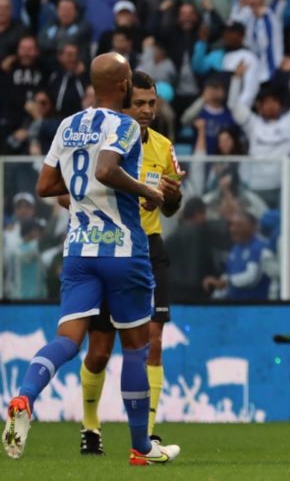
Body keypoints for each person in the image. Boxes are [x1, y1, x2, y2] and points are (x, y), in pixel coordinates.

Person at [2, 52, 180, 465]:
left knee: (68, 339)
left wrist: (80, 186)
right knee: (136, 348)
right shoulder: (125, 125)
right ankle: (141, 448)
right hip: (123, 249)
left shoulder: (69, 124)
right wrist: (148, 192)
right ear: (123, 86)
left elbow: (46, 184)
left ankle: (25, 397)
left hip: (79, 248)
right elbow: (105, 170)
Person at [78, 71, 184, 455]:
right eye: (138, 103)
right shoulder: (104, 146)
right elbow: (71, 193)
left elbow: (171, 208)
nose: (146, 110)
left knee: (152, 343)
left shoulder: (163, 147)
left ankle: (149, 433)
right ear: (123, 103)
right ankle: (90, 428)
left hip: (149, 248)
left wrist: (172, 196)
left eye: (151, 103)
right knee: (100, 350)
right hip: (108, 248)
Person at [228, 61, 290, 208]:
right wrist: (236, 80)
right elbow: (233, 106)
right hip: (257, 188)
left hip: (284, 187)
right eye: (266, 102)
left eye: (275, 101)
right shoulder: (252, 125)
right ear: (259, 107)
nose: (271, 105)